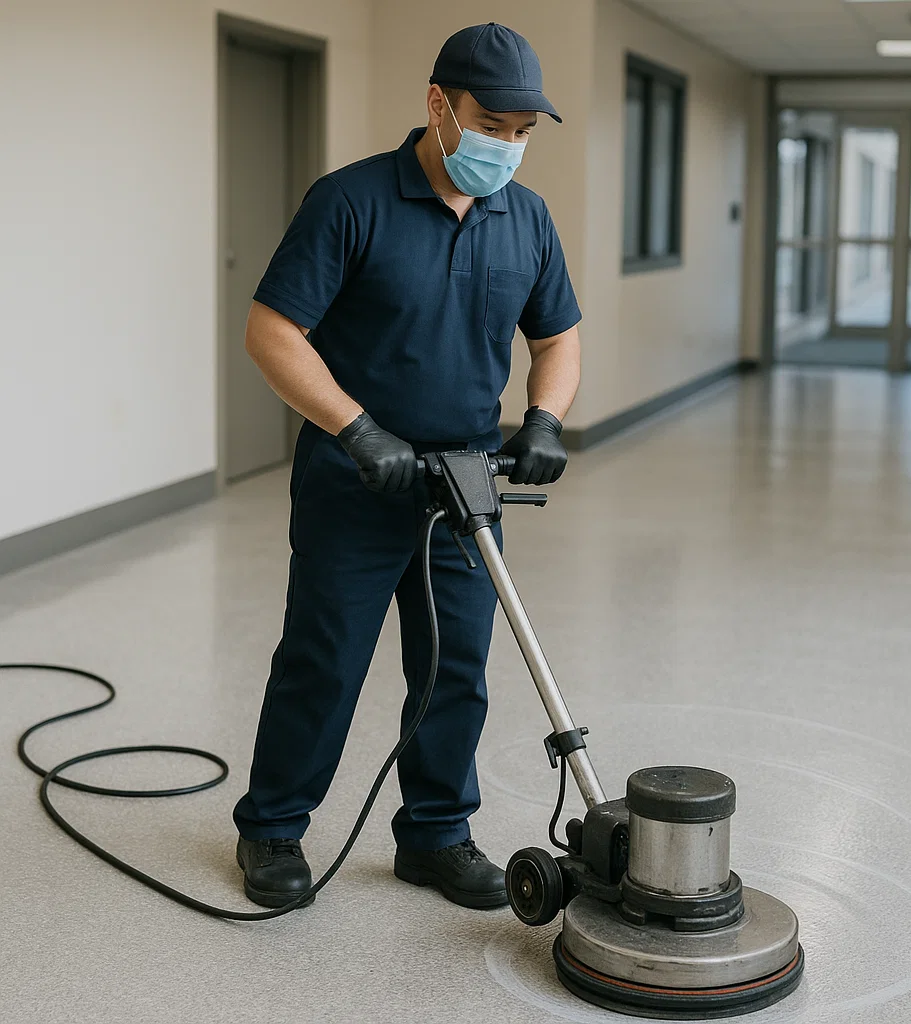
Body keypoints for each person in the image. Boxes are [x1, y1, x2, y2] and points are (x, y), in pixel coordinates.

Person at [232, 22, 581, 910]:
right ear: (439, 105)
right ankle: (272, 828)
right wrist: (356, 430)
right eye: (492, 124)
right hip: (358, 479)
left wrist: (545, 417)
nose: (507, 146)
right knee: (326, 658)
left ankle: (434, 836)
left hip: (466, 486)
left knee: (456, 667)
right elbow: (272, 331)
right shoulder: (350, 201)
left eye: (522, 132)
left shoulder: (526, 216)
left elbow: (557, 337)